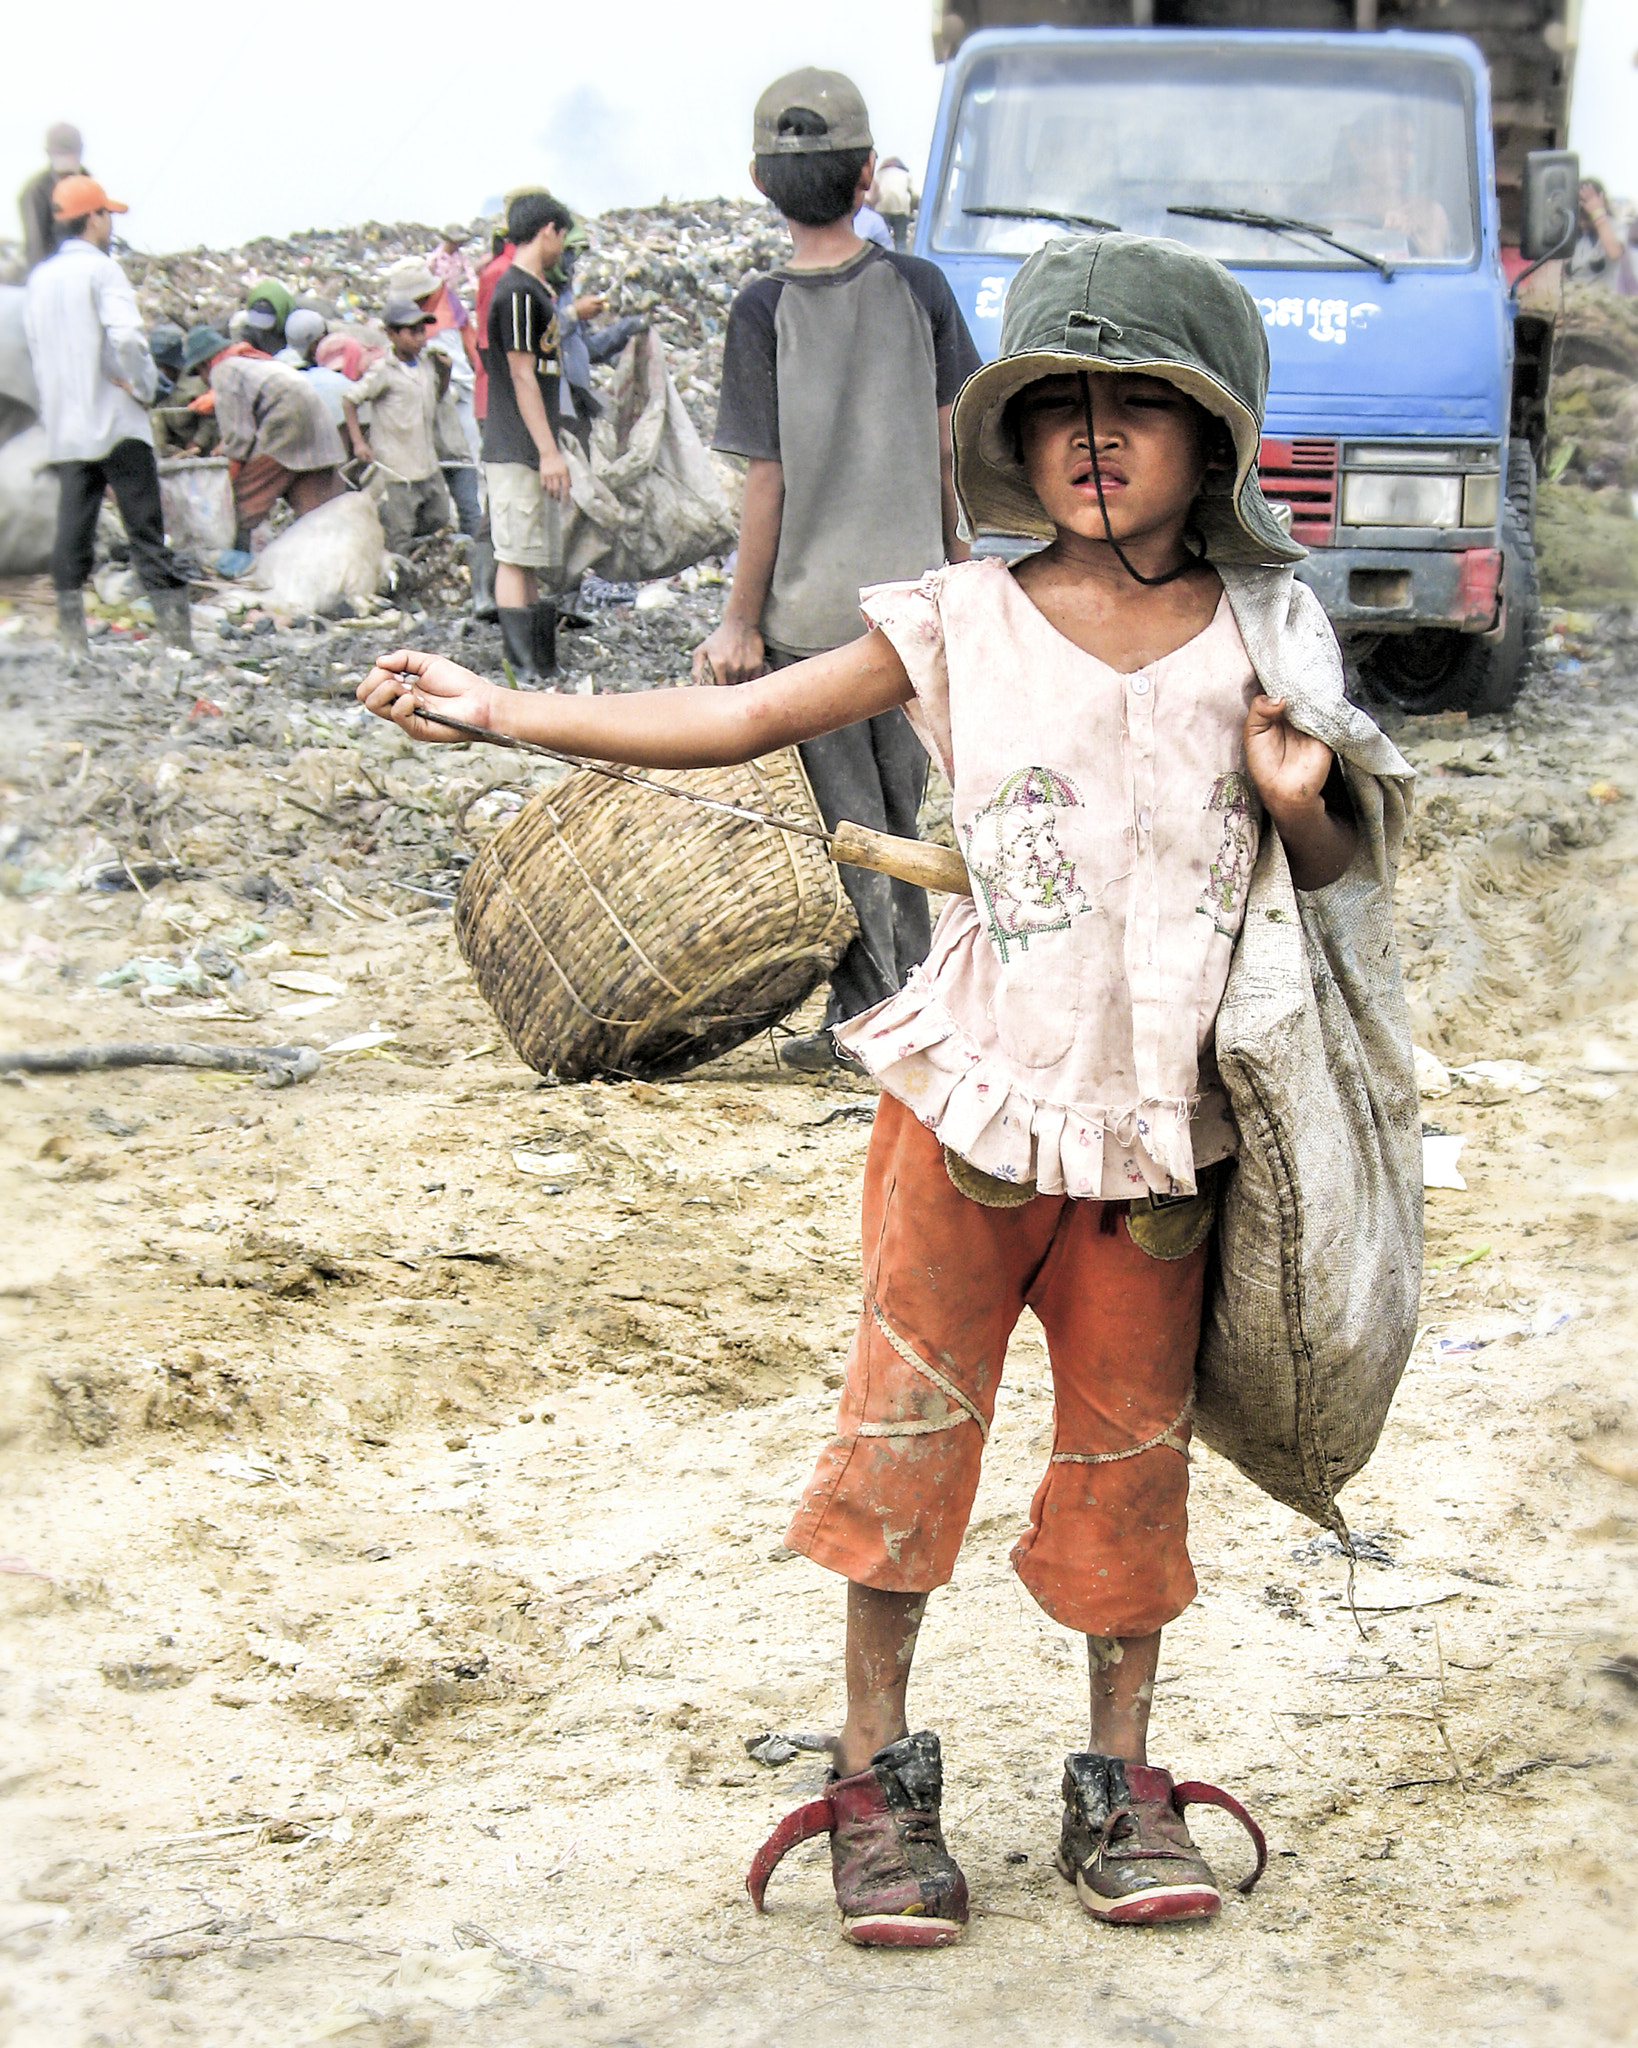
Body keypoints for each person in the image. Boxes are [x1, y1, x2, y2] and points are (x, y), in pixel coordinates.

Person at [356, 230, 1410, 1952]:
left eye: (1133, 406)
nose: (1089, 435)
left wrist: (1294, 793)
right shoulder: (960, 617)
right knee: (905, 1441)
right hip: (968, 1119)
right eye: (1057, 404)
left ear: (1209, 443)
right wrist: (505, 708)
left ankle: (1118, 1780)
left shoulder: (1265, 633)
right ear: (1013, 438)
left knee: (1126, 1467)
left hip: (1161, 1139)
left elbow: (1340, 851)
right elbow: (753, 710)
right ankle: (871, 1776)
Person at [695, 68, 980, 1071]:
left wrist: (738, 619)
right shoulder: (920, 288)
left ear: (760, 182)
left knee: (846, 825)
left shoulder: (761, 308)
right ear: (868, 175)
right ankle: (905, 1007)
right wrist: (957, 560)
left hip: (810, 619)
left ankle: (875, 1020)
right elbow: (953, 444)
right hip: (911, 611)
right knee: (897, 817)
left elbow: (764, 482)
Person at [23, 174, 192, 653]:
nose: (110, 226)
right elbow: (126, 337)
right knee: (145, 529)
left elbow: (36, 354)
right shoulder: (101, 269)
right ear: (93, 217)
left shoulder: (41, 278)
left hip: (67, 428)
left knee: (73, 530)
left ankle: (74, 646)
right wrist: (141, 385)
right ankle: (176, 642)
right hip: (117, 421)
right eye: (107, 216)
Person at [480, 189, 576, 681]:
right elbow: (522, 374)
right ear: (548, 231)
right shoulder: (517, 291)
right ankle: (524, 668)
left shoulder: (534, 289)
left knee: (530, 555)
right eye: (562, 236)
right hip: (517, 444)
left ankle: (541, 664)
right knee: (515, 557)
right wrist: (547, 450)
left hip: (529, 446)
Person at [186, 325, 345, 549]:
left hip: (286, 419)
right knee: (315, 510)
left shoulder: (223, 370)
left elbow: (239, 438)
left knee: (245, 495)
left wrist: (228, 476)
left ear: (204, 364)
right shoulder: (251, 361)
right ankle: (328, 553)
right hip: (314, 416)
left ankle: (236, 552)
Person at [342, 297, 451, 555]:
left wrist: (445, 372)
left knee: (438, 517)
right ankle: (398, 577)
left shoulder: (426, 364)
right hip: (397, 467)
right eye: (412, 332)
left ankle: (420, 561)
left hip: (426, 462)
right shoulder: (383, 370)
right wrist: (358, 442)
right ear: (391, 334)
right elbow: (349, 400)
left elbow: (437, 396)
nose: (419, 338)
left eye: (421, 331)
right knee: (399, 531)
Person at [19, 124, 86, 273]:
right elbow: (37, 245)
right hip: (49, 272)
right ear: (48, 153)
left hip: (86, 269)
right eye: (62, 157)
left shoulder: (89, 183)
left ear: (81, 150)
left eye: (71, 156)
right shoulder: (34, 190)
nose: (67, 173)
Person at [1569, 179, 1638, 294]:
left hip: (1602, 299)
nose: (1583, 222)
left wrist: (1597, 212)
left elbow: (1614, 253)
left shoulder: (1614, 225)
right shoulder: (1573, 232)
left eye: (1585, 215)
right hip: (1573, 298)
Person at [873, 156, 915, 250]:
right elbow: (914, 194)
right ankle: (902, 262)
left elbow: (872, 192)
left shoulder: (879, 174)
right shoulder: (906, 174)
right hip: (901, 208)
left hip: (882, 208)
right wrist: (912, 211)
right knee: (900, 240)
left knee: (881, 239)